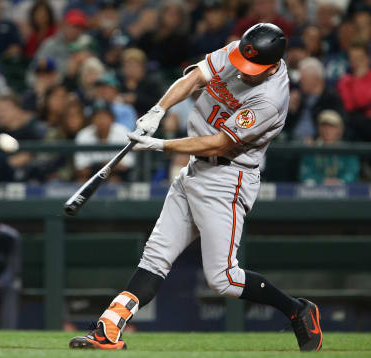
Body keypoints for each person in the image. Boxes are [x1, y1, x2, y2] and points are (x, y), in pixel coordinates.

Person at [69, 23, 323, 352]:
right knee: (155, 257)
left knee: (224, 279)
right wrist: (158, 110)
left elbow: (218, 142)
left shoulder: (271, 99)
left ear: (273, 65)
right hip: (193, 170)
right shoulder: (239, 52)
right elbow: (196, 77)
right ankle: (108, 328)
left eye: (254, 69)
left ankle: (297, 310)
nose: (244, 73)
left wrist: (161, 145)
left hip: (227, 179)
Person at [74, 100, 134, 182]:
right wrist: (107, 165)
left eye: (105, 116)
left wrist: (98, 165)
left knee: (114, 180)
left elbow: (126, 165)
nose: (101, 120)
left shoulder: (123, 132)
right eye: (97, 116)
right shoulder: (83, 135)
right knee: (81, 181)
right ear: (92, 119)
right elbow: (81, 169)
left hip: (116, 176)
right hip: (91, 177)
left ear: (112, 118)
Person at [299, 110, 360, 185]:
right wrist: (321, 181)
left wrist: (339, 182)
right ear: (319, 129)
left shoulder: (347, 150)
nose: (327, 130)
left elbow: (352, 173)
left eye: (332, 127)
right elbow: (306, 174)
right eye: (324, 126)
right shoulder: (311, 148)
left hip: (343, 193)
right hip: (316, 193)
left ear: (340, 130)